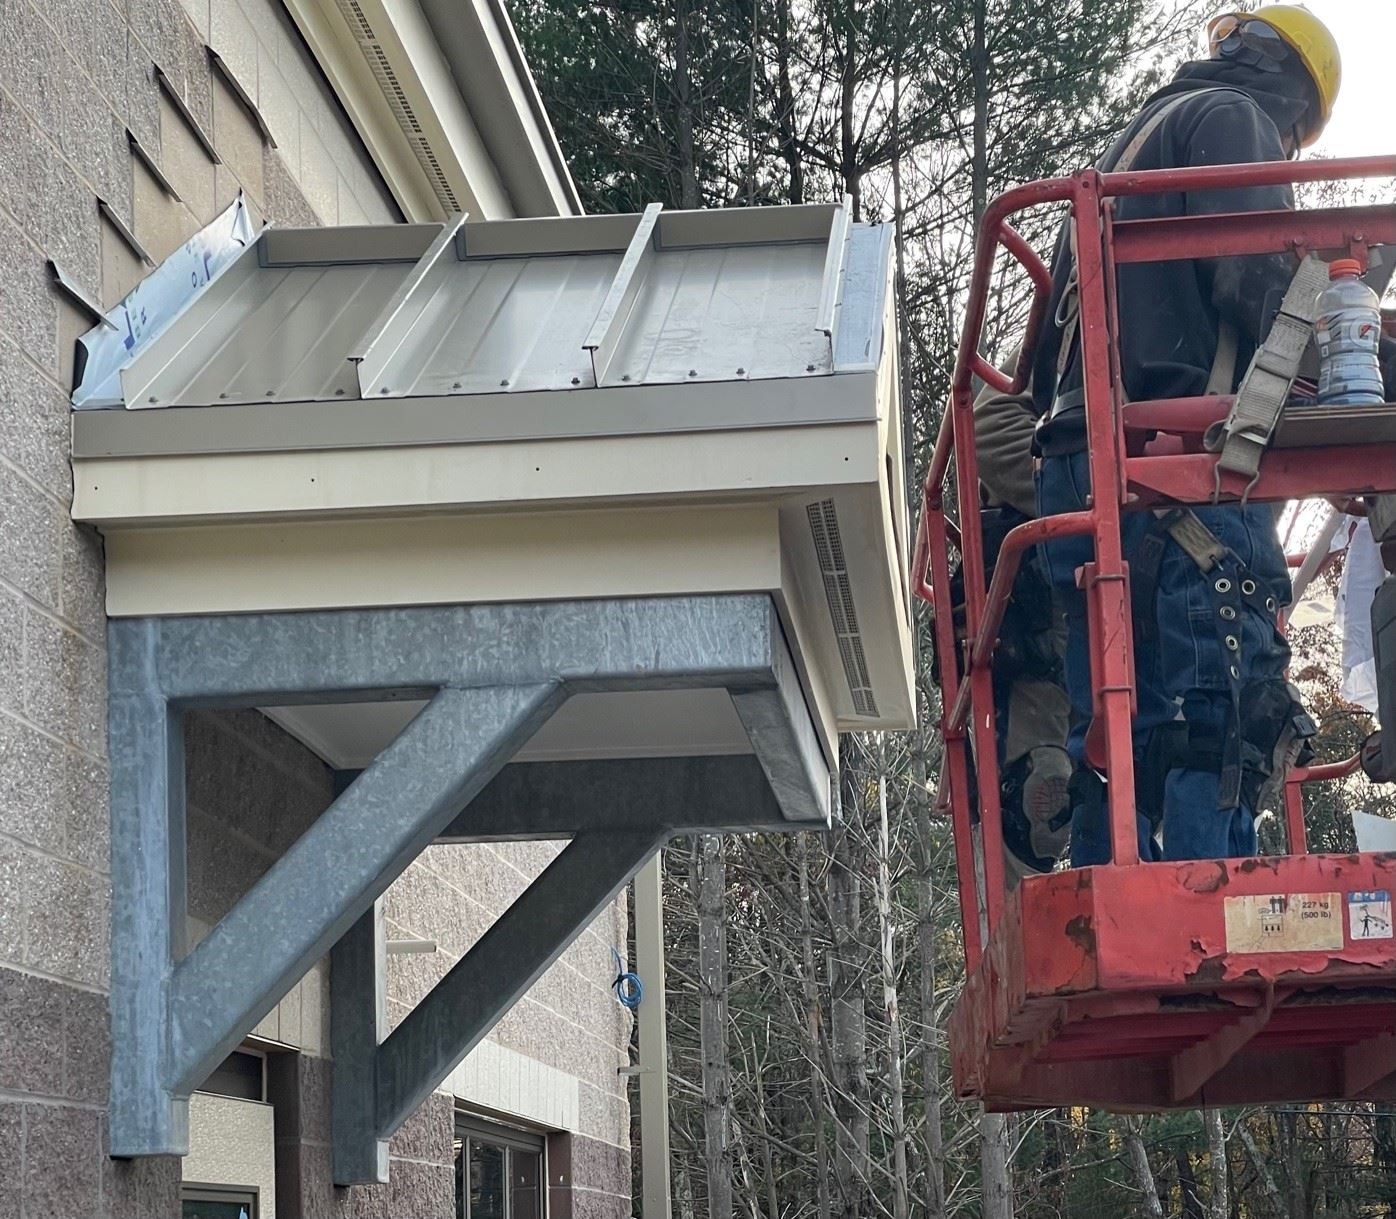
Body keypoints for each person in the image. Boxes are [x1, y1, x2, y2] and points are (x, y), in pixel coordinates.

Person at [1031, 7, 1345, 864]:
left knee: (1116, 726)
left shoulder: (1118, 157)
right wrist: (1354, 342)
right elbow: (1258, 286)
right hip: (1180, 469)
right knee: (1221, 703)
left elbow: (1034, 377)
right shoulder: (1233, 123)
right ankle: (1216, 906)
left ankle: (1114, 902)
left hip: (1079, 472)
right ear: (1294, 103)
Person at [973, 353, 1072, 879]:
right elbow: (990, 429)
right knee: (1036, 802)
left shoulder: (1271, 336)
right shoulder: (1092, 309)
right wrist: (1098, 499)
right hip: (1048, 601)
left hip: (1164, 602)